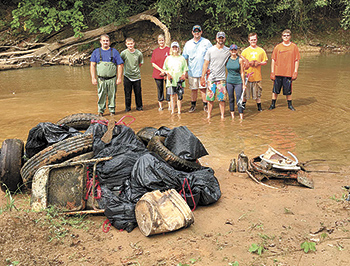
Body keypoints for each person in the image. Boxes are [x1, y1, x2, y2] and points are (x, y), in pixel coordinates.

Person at [90, 34, 124, 116]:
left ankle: (112, 111)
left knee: (112, 95)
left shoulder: (114, 52)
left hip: (112, 79)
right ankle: (100, 111)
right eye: (104, 40)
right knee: (101, 95)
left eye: (107, 41)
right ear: (100, 41)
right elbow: (92, 65)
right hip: (101, 79)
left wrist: (119, 78)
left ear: (109, 42)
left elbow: (120, 65)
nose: (105, 42)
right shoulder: (96, 52)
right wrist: (93, 78)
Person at [200, 32, 230, 119]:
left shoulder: (227, 50)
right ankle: (209, 115)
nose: (221, 39)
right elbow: (205, 64)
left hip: (222, 79)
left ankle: (222, 116)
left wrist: (245, 61)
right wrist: (202, 77)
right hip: (211, 78)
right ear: (216, 39)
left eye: (222, 38)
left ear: (224, 39)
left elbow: (237, 55)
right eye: (219, 38)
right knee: (210, 99)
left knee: (222, 99)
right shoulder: (210, 50)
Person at [182, 25, 212, 113]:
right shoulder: (188, 44)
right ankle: (193, 106)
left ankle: (205, 106)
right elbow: (184, 58)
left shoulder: (206, 42)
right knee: (193, 89)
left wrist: (210, 69)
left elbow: (212, 56)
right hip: (192, 72)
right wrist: (185, 71)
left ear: (201, 32)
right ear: (192, 32)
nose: (196, 33)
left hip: (204, 72)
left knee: (203, 89)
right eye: (195, 31)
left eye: (198, 31)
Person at [269, 29, 300, 111]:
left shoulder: (294, 47)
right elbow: (273, 60)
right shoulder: (277, 47)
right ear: (282, 37)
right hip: (278, 72)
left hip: (288, 73)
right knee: (275, 90)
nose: (286, 37)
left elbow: (296, 60)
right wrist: (272, 72)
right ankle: (273, 104)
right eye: (284, 35)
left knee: (288, 91)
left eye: (287, 35)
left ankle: (290, 105)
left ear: (290, 36)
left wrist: (295, 71)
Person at [241, 32, 268, 112]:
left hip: (257, 77)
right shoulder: (245, 51)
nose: (253, 41)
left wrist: (258, 63)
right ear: (249, 40)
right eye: (252, 40)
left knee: (258, 95)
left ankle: (259, 108)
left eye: (255, 39)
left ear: (257, 39)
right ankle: (242, 107)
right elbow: (241, 63)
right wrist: (249, 63)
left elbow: (265, 61)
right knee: (245, 95)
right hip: (247, 77)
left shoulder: (261, 50)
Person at [163, 41, 188, 114]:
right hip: (171, 80)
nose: (174, 49)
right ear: (171, 48)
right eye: (173, 47)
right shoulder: (168, 58)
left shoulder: (182, 58)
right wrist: (168, 74)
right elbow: (165, 69)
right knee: (172, 96)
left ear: (178, 49)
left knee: (179, 97)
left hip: (179, 80)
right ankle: (173, 111)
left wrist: (183, 75)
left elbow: (185, 69)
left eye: (176, 47)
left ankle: (179, 112)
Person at [120, 37, 144, 112]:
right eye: (128, 44)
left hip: (137, 76)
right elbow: (121, 63)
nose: (130, 45)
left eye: (131, 44)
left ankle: (139, 107)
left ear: (134, 43)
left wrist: (135, 70)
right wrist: (126, 69)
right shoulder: (123, 53)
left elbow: (140, 63)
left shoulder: (139, 53)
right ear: (126, 44)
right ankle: (128, 108)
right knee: (127, 93)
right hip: (127, 76)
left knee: (138, 93)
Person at [151, 34, 171, 111]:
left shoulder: (168, 50)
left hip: (167, 73)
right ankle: (161, 106)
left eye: (162, 40)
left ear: (164, 41)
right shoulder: (155, 51)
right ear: (158, 41)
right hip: (158, 73)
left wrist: (166, 71)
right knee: (160, 90)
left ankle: (169, 105)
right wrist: (161, 70)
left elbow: (171, 61)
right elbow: (153, 63)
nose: (161, 42)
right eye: (160, 40)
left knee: (168, 89)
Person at [226, 44, 245, 120]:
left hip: (238, 81)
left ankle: (241, 116)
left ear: (237, 51)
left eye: (235, 50)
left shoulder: (240, 60)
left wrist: (243, 84)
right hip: (229, 81)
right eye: (232, 50)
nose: (233, 51)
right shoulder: (227, 59)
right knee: (231, 98)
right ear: (230, 51)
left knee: (239, 98)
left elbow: (242, 72)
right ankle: (232, 116)